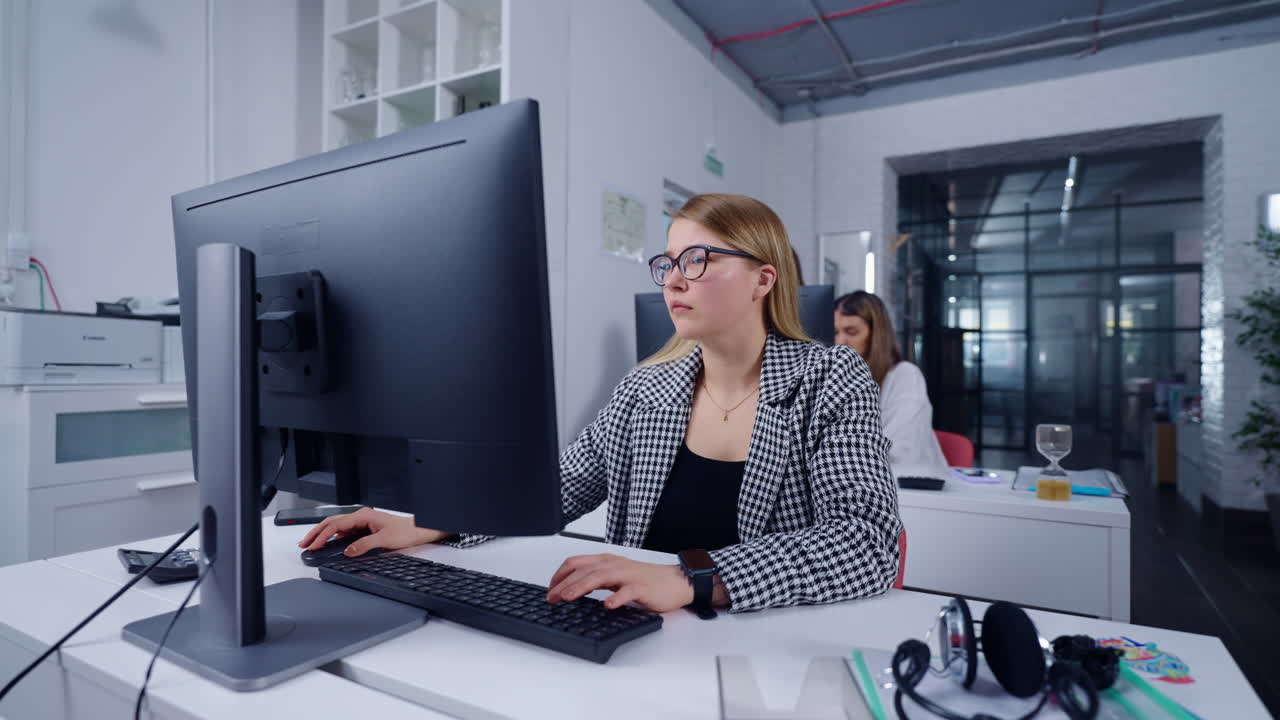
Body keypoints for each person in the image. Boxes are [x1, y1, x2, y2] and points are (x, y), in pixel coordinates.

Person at [301, 194, 902, 615]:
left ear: (763, 280)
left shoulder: (830, 378)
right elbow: (555, 487)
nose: (672, 280)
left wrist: (691, 579)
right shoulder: (647, 387)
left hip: (757, 644)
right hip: (631, 628)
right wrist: (432, 518)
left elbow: (867, 542)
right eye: (668, 263)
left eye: (699, 260)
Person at [833, 291, 951, 481]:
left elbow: (898, 448)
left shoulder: (905, 376)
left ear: (876, 334)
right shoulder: (841, 381)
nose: (840, 342)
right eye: (835, 332)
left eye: (851, 332)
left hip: (910, 488)